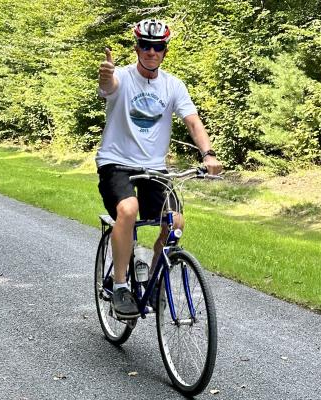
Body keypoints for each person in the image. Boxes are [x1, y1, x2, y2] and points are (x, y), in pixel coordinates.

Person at [96, 18, 222, 319]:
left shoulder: (173, 85)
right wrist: (105, 76)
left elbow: (193, 121)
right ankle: (121, 285)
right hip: (116, 163)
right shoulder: (122, 77)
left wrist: (209, 154)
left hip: (154, 168)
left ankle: (154, 282)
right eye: (145, 45)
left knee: (175, 221)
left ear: (165, 50)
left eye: (158, 46)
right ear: (136, 47)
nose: (151, 51)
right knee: (128, 209)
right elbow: (108, 87)